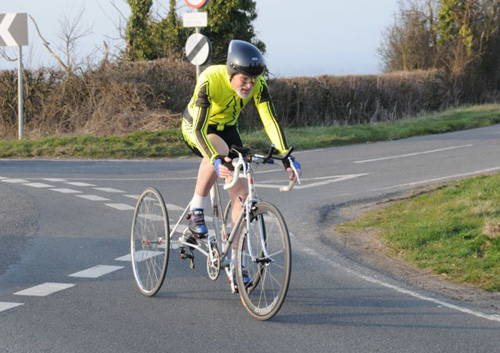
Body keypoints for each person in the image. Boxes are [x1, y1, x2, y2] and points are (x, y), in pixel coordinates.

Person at [181, 39, 301, 288]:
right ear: (231, 73)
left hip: (228, 129)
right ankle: (196, 209)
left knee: (243, 194)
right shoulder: (210, 79)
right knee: (220, 152)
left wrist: (285, 155)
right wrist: (215, 159)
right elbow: (202, 130)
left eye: (254, 79)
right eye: (244, 79)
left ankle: (237, 263)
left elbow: (270, 121)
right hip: (197, 128)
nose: (250, 85)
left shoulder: (258, 85)